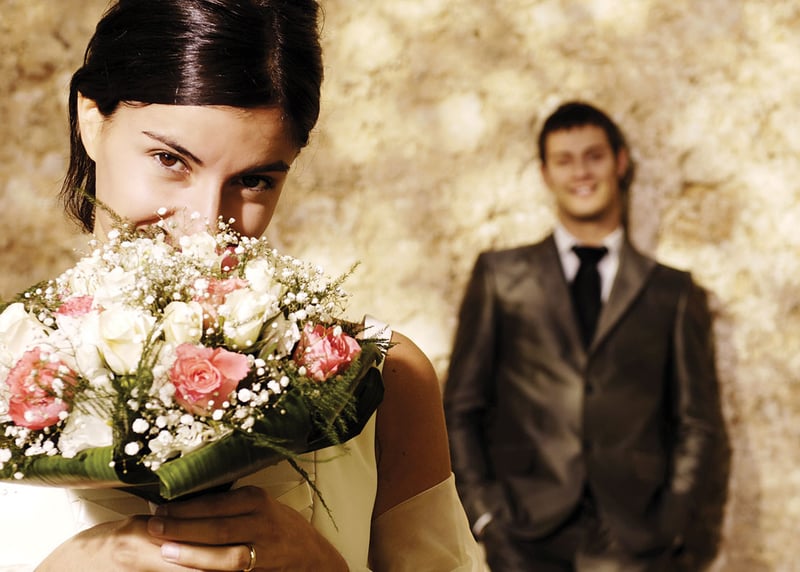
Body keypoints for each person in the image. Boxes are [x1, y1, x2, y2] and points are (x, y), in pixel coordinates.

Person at [0, 1, 484, 570]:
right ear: (90, 119)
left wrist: (328, 567)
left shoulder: (382, 378)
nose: (206, 227)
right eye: (170, 160)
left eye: (253, 180)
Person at [443, 101, 727, 572]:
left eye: (594, 156)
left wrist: (673, 522)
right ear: (545, 173)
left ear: (620, 163)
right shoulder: (501, 277)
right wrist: (485, 515)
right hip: (523, 536)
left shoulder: (672, 292)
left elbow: (697, 422)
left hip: (636, 543)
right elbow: (460, 406)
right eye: (565, 160)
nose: (581, 172)